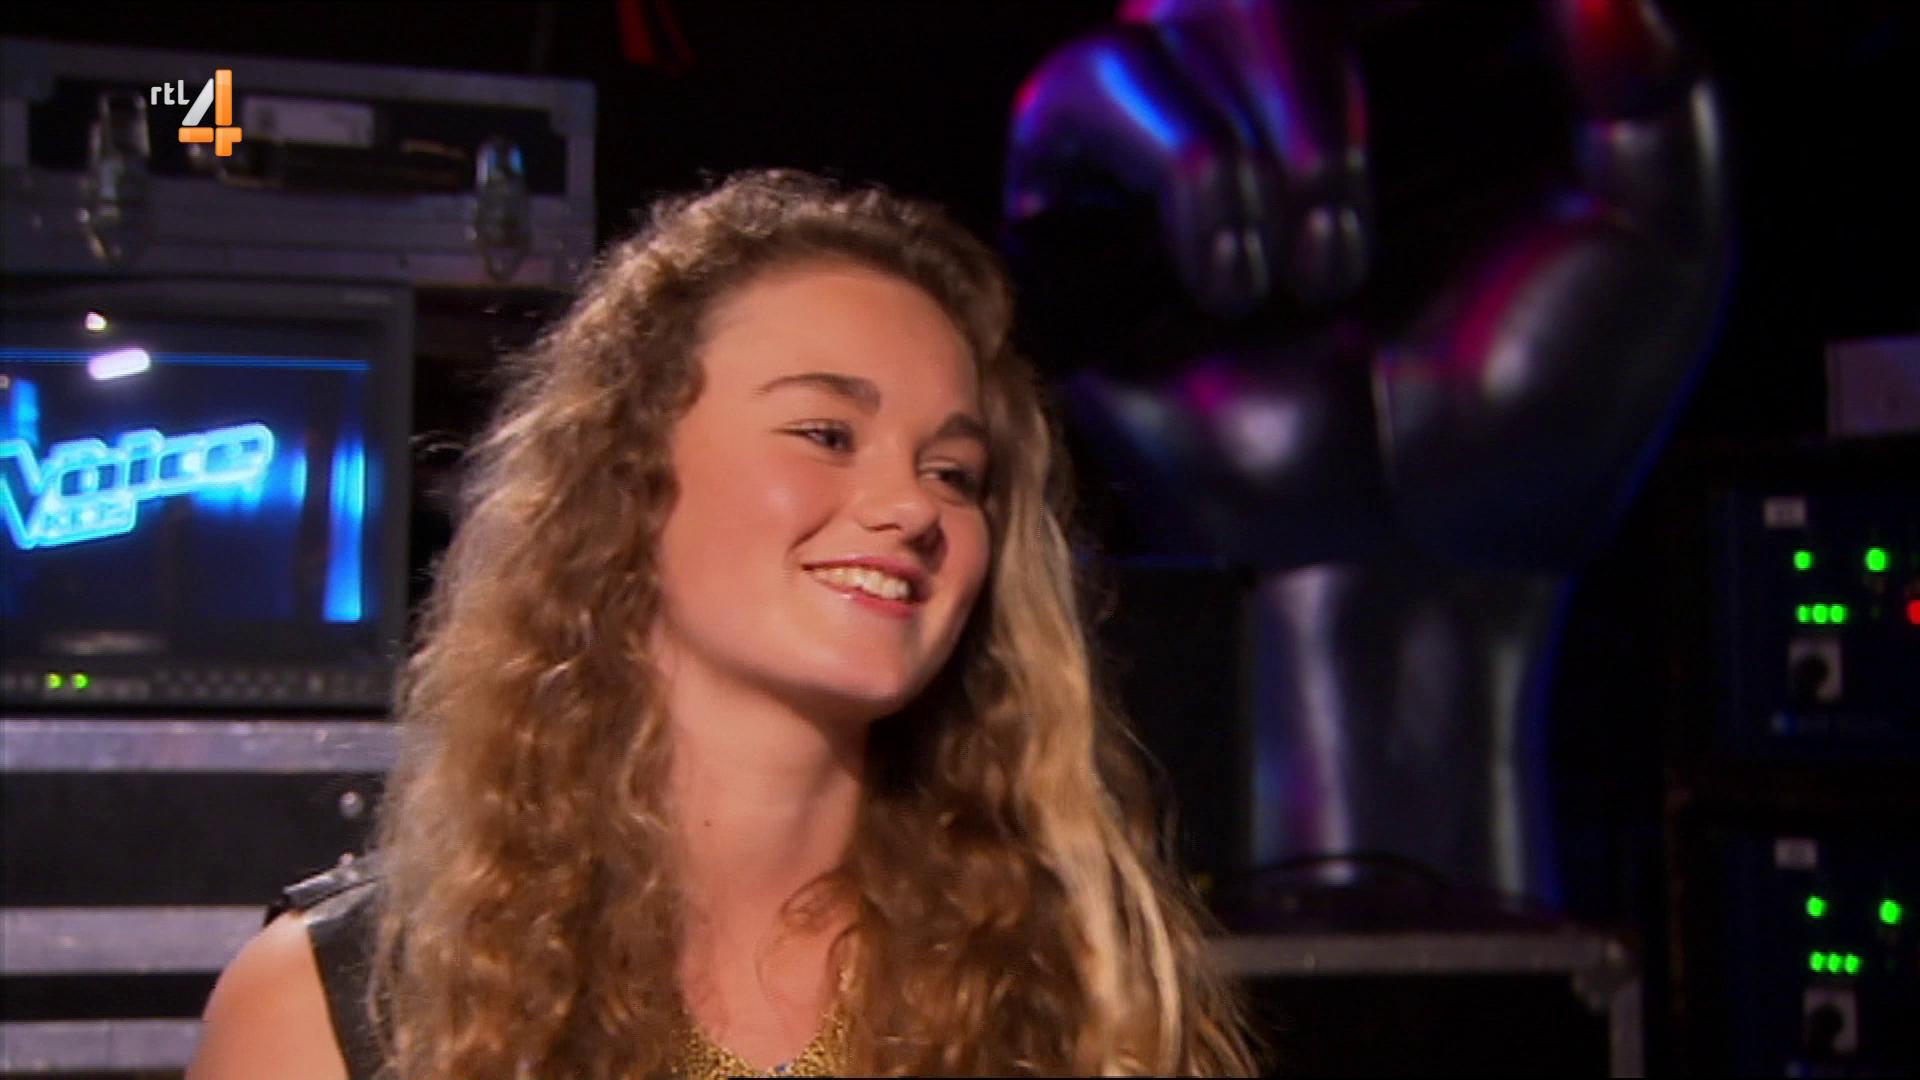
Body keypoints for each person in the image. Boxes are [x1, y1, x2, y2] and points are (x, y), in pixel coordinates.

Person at [186, 168, 1257, 1079]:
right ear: (628, 478)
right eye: (826, 433)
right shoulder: (342, 1005)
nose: (911, 507)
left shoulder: (1079, 980)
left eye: (954, 472)